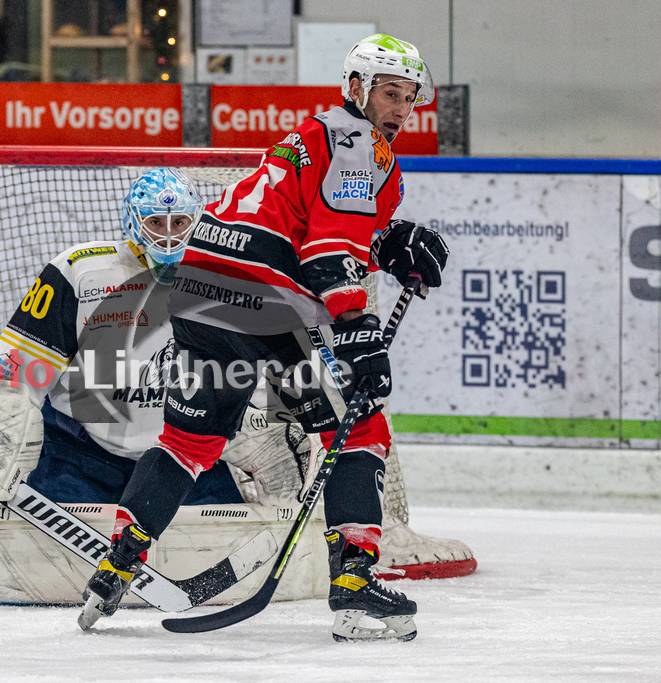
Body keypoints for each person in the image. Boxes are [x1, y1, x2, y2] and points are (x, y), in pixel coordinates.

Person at [80, 33, 450, 642]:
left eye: (409, 97)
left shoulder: (315, 136)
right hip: (265, 305)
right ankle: (355, 589)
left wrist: (390, 246)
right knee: (359, 427)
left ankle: (115, 566)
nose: (400, 107)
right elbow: (328, 253)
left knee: (189, 441)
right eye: (389, 92)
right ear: (356, 88)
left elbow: (314, 222)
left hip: (199, 292)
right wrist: (358, 336)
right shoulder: (359, 143)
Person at [0, 168, 309, 507]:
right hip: (79, 459)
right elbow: (17, 366)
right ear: (133, 221)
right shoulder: (80, 271)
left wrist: (276, 420)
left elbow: (256, 370)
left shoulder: (227, 281)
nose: (169, 236)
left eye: (179, 223)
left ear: (195, 220)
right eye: (156, 223)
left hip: (185, 460)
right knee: (49, 558)